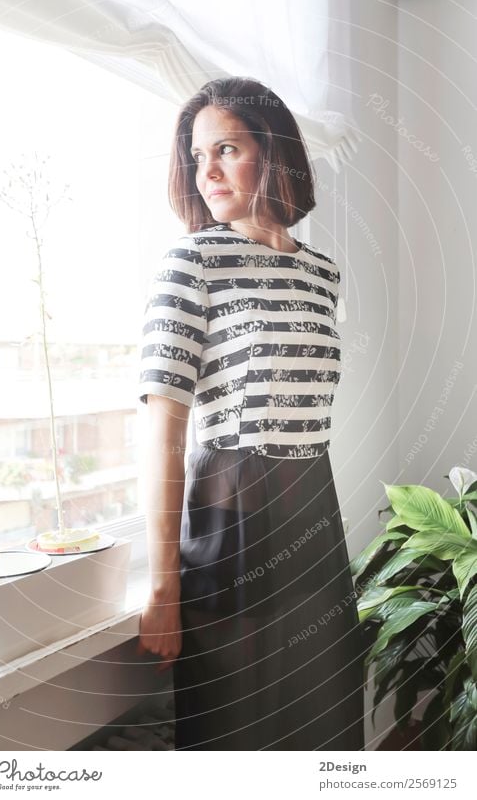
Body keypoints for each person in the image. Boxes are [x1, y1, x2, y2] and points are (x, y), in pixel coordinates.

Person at [136, 76, 365, 751]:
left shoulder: (322, 272)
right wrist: (162, 586)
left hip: (313, 519)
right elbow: (164, 431)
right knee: (238, 735)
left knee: (324, 726)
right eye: (197, 156)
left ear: (272, 152)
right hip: (227, 523)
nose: (206, 170)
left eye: (225, 149)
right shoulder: (190, 261)